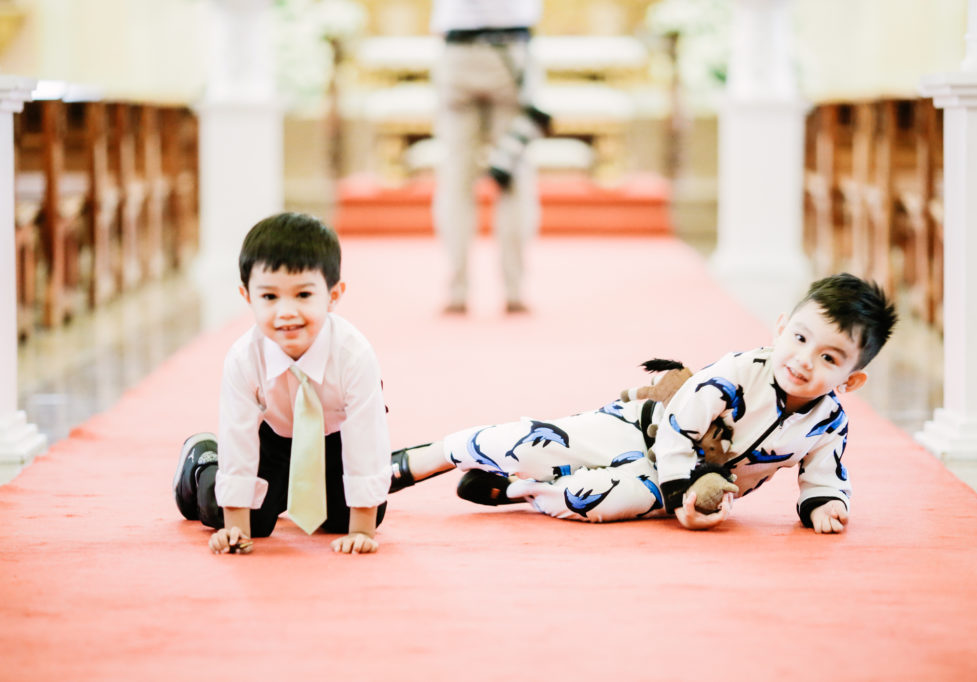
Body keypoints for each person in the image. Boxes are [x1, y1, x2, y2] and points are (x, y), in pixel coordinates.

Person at [390, 273, 897, 533]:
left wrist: (825, 503)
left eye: (830, 357)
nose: (806, 361)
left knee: (593, 504)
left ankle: (520, 490)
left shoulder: (828, 422)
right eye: (801, 338)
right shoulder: (738, 373)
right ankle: (429, 456)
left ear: (850, 381)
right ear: (782, 327)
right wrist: (681, 493)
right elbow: (678, 427)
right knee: (538, 441)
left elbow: (824, 472)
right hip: (647, 432)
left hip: (683, 484)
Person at [172, 212, 391, 554]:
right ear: (247, 296)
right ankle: (201, 462)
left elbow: (366, 435)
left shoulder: (354, 354)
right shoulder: (244, 358)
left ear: (334, 294)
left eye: (303, 295)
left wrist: (362, 530)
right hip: (271, 440)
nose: (285, 312)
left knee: (356, 515)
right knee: (250, 522)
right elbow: (239, 434)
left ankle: (328, 506)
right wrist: (235, 530)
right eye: (270, 297)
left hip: (333, 440)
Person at [430, 0, 544, 314]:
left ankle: (457, 289)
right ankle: (515, 288)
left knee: (456, 179)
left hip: (458, 52)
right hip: (510, 52)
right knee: (514, 175)